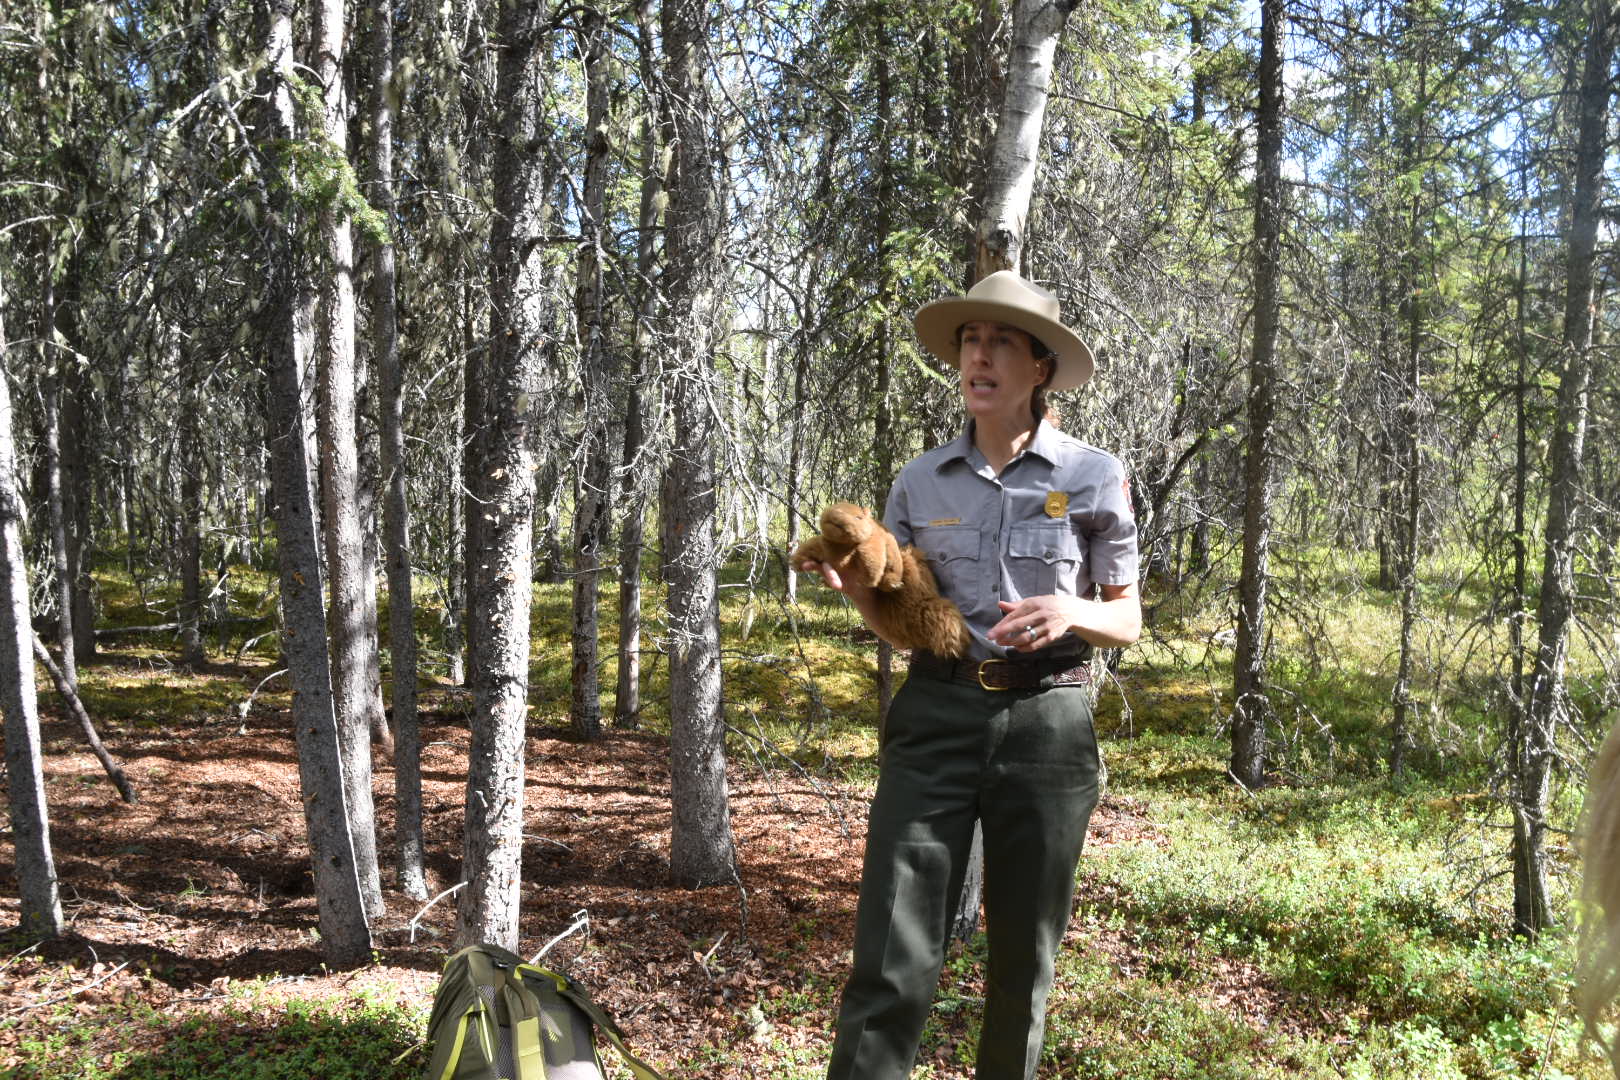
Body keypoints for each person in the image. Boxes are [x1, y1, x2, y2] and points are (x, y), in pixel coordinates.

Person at [800, 269, 1141, 1079]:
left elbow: (1128, 617)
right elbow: (905, 619)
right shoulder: (921, 482)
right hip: (937, 717)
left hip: (1049, 726)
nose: (978, 358)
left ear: (1041, 367)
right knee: (891, 955)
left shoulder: (1092, 477)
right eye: (969, 343)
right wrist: (861, 598)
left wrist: (1071, 613)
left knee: (1022, 968)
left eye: (1000, 343)